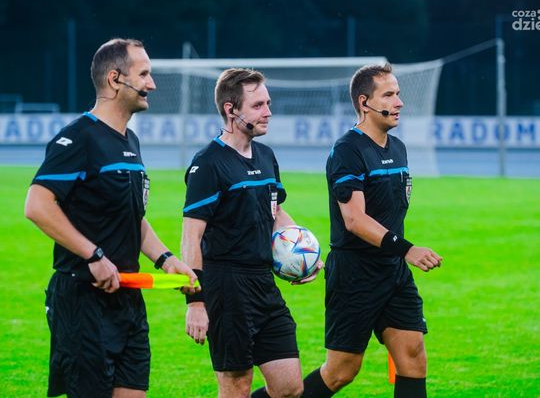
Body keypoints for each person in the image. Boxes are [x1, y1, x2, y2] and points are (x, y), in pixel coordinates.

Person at [24, 38, 199, 398]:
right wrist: (94, 255)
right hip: (83, 299)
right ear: (115, 79)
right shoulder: (78, 138)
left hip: (128, 299)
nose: (152, 84)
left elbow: (132, 216)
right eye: (144, 74)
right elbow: (37, 205)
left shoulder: (130, 141)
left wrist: (167, 259)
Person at [302, 63, 443, 398]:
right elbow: (355, 220)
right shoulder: (348, 150)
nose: (399, 102)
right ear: (364, 103)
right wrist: (407, 249)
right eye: (389, 95)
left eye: (398, 94)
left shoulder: (398, 148)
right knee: (342, 371)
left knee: (413, 356)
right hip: (355, 274)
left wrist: (398, 256)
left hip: (392, 272)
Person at [181, 68, 321, 398]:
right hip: (226, 286)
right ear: (231, 110)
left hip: (263, 283)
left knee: (289, 387)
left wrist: (304, 253)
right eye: (258, 105)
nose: (268, 111)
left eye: (268, 103)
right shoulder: (208, 164)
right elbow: (191, 237)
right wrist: (195, 302)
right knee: (236, 384)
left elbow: (275, 212)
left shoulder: (266, 156)